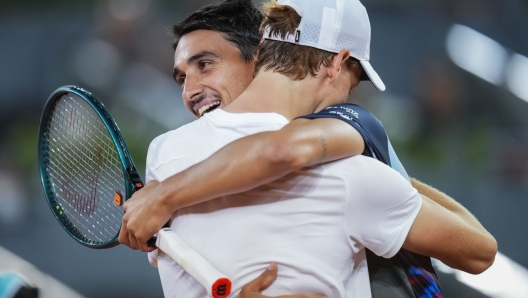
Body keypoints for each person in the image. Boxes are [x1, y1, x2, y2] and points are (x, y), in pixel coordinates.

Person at [119, 0, 497, 297]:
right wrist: (382, 161)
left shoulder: (163, 156)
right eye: (354, 79)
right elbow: (480, 252)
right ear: (337, 63)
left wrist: (164, 195)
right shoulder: (351, 175)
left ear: (264, 47)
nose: (350, 92)